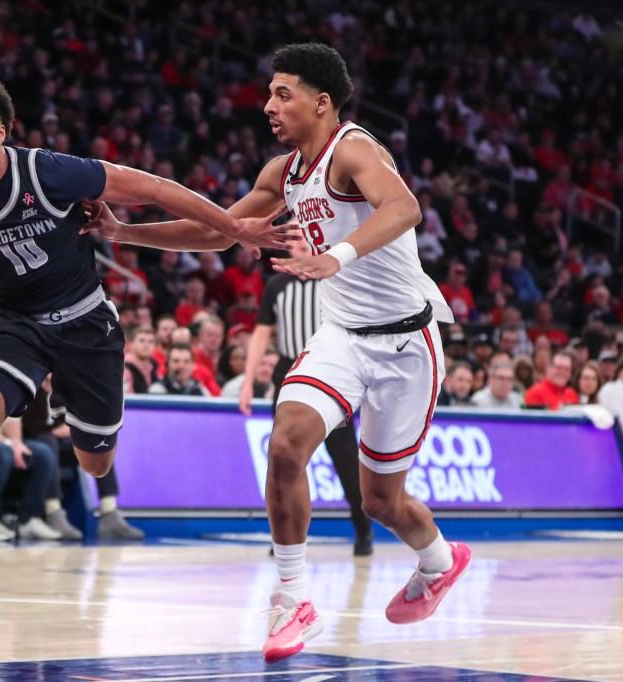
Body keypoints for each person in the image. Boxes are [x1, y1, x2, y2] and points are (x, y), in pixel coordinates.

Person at [0, 71, 285, 621]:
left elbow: (156, 190)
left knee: (95, 463)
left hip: (87, 325)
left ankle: (70, 400)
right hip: (17, 325)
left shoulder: (48, 172)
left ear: (1, 129)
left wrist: (238, 228)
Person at [85, 43, 469, 663]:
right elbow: (218, 231)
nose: (268, 105)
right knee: (286, 442)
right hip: (341, 335)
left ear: (322, 102)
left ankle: (441, 561)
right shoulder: (281, 173)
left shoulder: (354, 148)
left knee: (380, 502)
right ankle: (292, 599)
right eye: (268, 93)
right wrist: (124, 232)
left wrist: (335, 256)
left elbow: (406, 207)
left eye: (282, 93)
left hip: (406, 344)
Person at [238, 272, 373, 556]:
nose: (299, 243)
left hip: (329, 371)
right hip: (289, 370)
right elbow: (263, 331)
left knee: (345, 458)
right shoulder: (276, 284)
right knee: (286, 459)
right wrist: (247, 381)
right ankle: (286, 537)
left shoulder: (331, 277)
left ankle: (363, 529)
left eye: (303, 237)